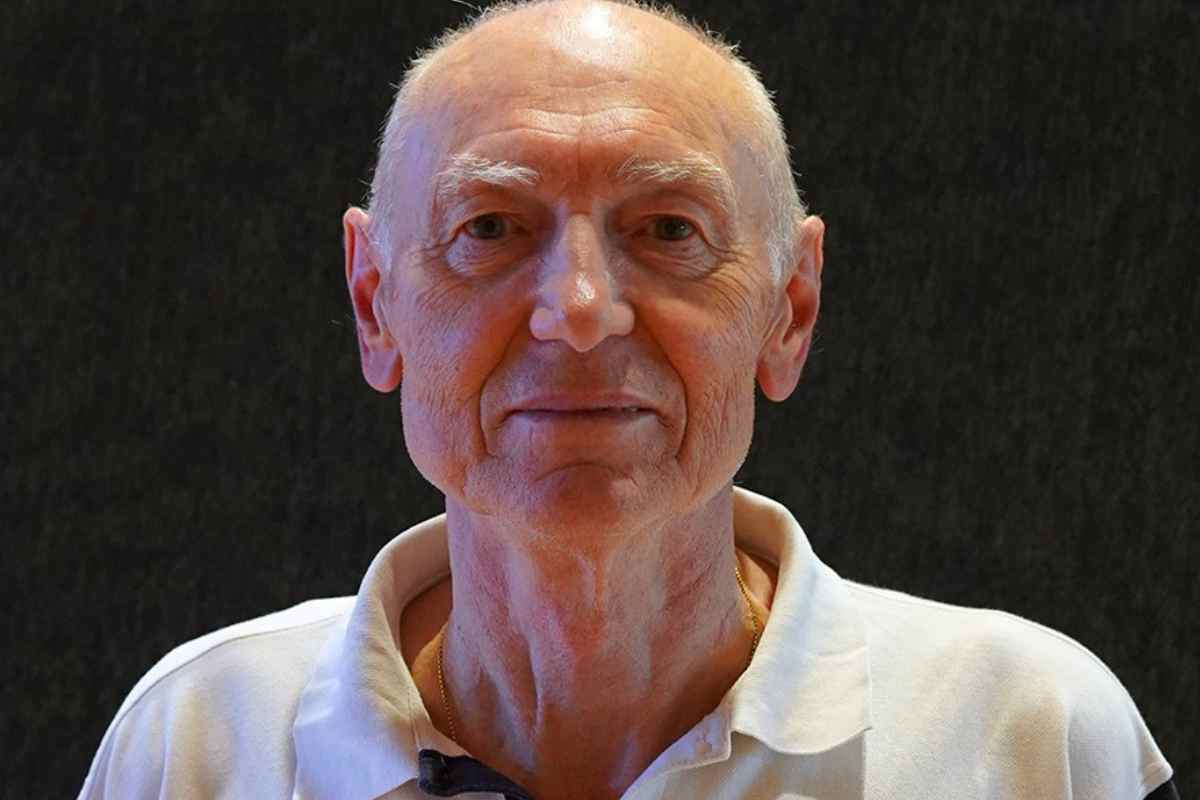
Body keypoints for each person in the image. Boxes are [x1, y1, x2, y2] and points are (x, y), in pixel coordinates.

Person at [78, 1, 1178, 798]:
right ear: (375, 305)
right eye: (490, 229)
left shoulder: (1028, 740)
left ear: (790, 311)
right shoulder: (197, 745)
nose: (580, 309)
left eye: (667, 230)